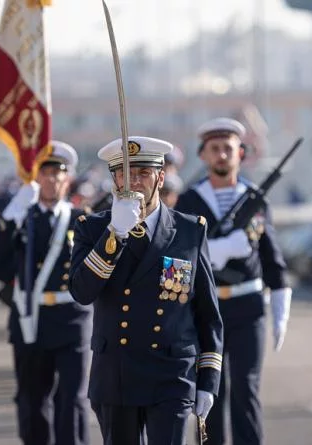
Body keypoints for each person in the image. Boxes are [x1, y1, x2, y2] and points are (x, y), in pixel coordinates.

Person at [69, 136, 224, 445]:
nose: (134, 182)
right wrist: (115, 234)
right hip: (116, 374)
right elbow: (82, 291)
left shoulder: (189, 229)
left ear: (160, 178)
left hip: (172, 373)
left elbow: (207, 313)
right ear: (115, 180)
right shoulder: (92, 228)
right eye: (124, 174)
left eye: (143, 173)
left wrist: (209, 378)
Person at [174, 117, 292, 445]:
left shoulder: (254, 198)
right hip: (207, 308)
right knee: (209, 391)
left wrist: (280, 307)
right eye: (215, 149)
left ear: (241, 152)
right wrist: (220, 249)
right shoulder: (189, 201)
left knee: (246, 389)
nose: (222, 155)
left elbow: (271, 257)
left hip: (248, 307)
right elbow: (181, 254)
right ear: (203, 154)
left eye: (228, 148)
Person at [0, 141, 93, 445]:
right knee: (32, 398)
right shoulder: (23, 219)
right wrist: (10, 220)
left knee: (73, 397)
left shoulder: (82, 220)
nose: (51, 180)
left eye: (58, 173)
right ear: (35, 178)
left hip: (72, 318)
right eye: (45, 173)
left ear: (67, 179)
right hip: (31, 318)